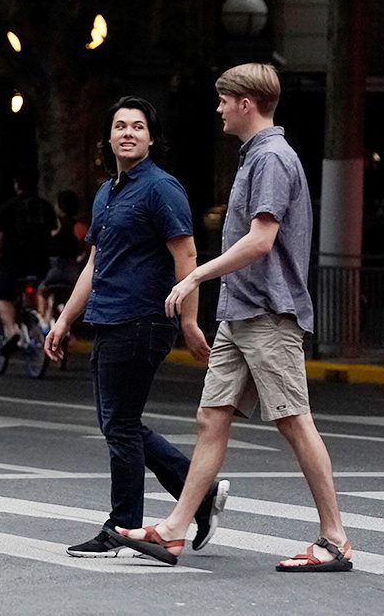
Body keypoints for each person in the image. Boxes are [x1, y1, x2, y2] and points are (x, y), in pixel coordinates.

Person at [109, 63, 354, 571]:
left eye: (224, 100)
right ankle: (174, 531)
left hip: (268, 312)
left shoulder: (271, 159)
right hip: (240, 315)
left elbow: (261, 242)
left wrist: (196, 277)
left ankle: (334, 539)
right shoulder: (253, 158)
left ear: (246, 103)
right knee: (211, 418)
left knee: (294, 421)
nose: (218, 109)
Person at [43, 96, 226, 558]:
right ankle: (199, 492)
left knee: (120, 425)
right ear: (109, 137)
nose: (128, 132)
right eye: (120, 125)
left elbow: (187, 257)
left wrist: (188, 321)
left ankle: (122, 525)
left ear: (150, 137)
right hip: (108, 318)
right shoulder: (108, 192)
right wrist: (65, 319)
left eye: (138, 127)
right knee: (119, 424)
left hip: (143, 319)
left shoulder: (161, 189)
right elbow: (95, 262)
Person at [0, 173, 57, 353]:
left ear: (16, 185)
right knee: (35, 291)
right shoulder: (45, 207)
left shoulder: (8, 207)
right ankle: (37, 322)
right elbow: (53, 232)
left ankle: (12, 330)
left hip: (14, 262)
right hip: (41, 262)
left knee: (2, 296)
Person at [38, 189, 89, 324]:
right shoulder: (80, 227)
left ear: (59, 206)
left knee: (42, 291)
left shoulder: (55, 224)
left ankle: (43, 321)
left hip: (53, 270)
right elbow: (87, 249)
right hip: (72, 271)